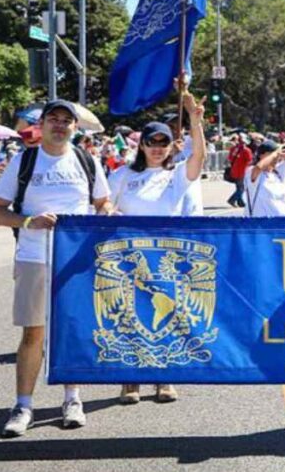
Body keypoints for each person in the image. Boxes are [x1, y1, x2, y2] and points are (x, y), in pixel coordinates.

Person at [0, 100, 114, 438]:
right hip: (33, 257)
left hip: (76, 262)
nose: (60, 125)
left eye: (66, 120)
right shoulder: (24, 160)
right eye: (53, 119)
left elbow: (104, 202)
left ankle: (72, 399)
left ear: (75, 127)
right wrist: (30, 221)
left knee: (71, 330)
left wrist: (103, 217)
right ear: (41, 124)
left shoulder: (87, 160)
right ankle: (23, 405)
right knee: (34, 333)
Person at [108, 90, 206, 405]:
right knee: (128, 316)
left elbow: (198, 158)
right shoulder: (123, 175)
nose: (158, 149)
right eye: (152, 142)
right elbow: (103, 205)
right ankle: (130, 381)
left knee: (168, 316)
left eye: (164, 143)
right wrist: (110, 213)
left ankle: (165, 378)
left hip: (167, 257)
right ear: (142, 145)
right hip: (129, 256)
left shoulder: (176, 175)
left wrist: (195, 119)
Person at [245, 140, 285, 218]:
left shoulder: (278, 172)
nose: (276, 158)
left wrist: (280, 154)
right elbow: (259, 167)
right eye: (271, 154)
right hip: (259, 225)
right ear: (261, 155)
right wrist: (274, 154)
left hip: (280, 224)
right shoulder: (251, 171)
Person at [226, 133, 252, 208]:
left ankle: (240, 202)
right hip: (242, 171)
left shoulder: (233, 149)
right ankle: (232, 199)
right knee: (242, 188)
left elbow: (230, 158)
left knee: (238, 187)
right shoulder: (247, 150)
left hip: (234, 170)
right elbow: (250, 161)